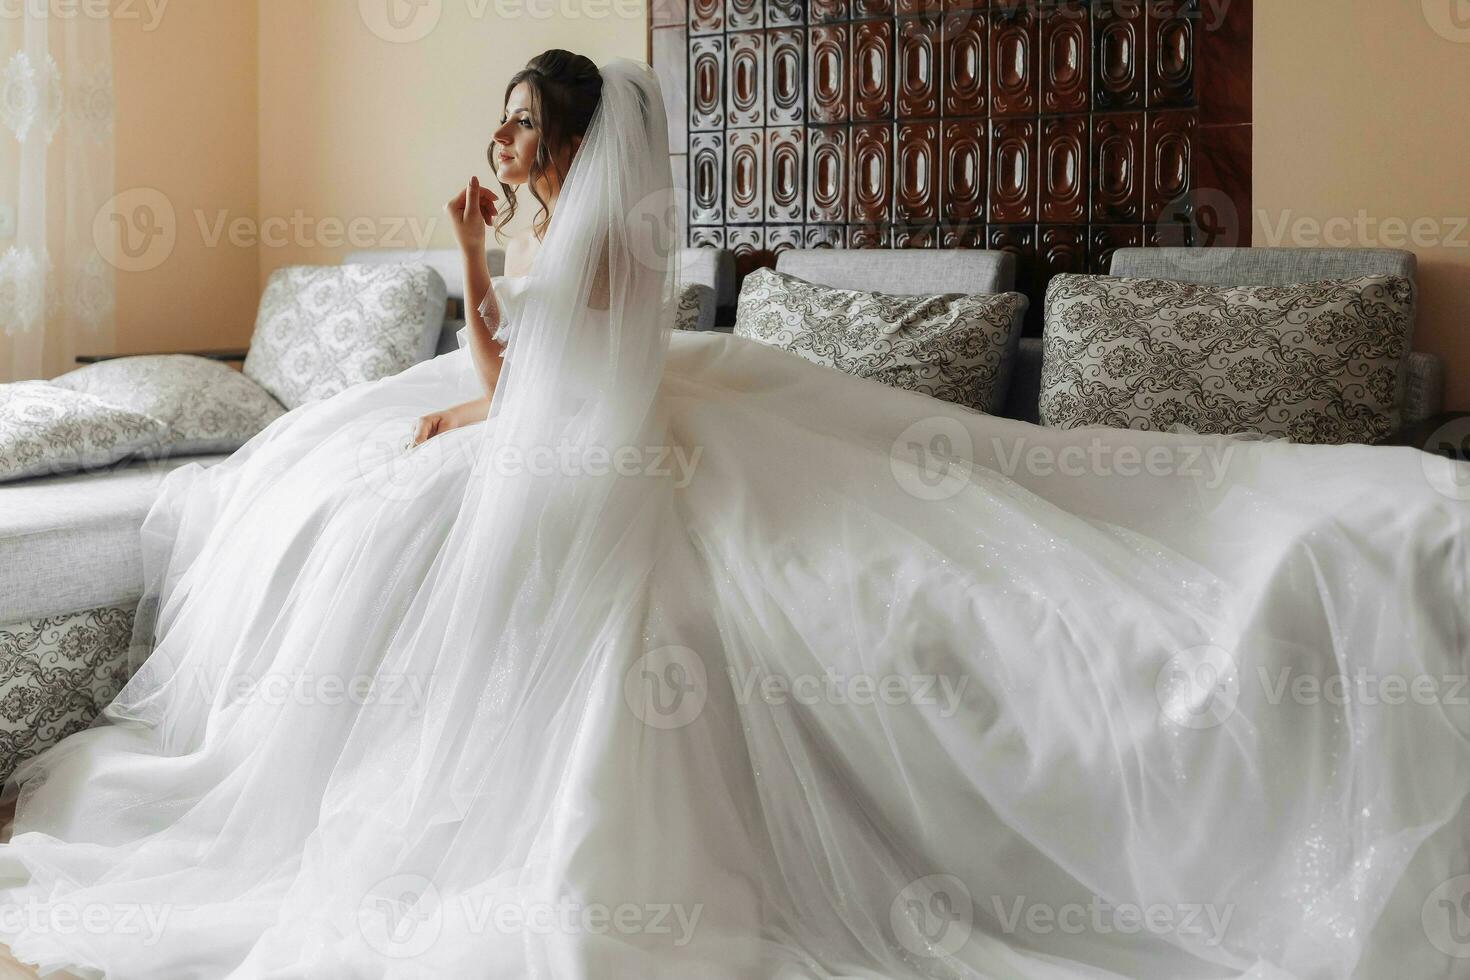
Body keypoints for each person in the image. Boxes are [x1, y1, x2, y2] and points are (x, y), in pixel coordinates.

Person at [0, 50, 1466, 980]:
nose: (501, 147)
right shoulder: (576, 230)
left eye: (520, 128)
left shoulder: (570, 248)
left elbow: (522, 387)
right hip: (615, 423)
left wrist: (465, 269)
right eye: (501, 127)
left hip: (612, 450)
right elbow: (518, 386)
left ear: (565, 141)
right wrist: (468, 347)